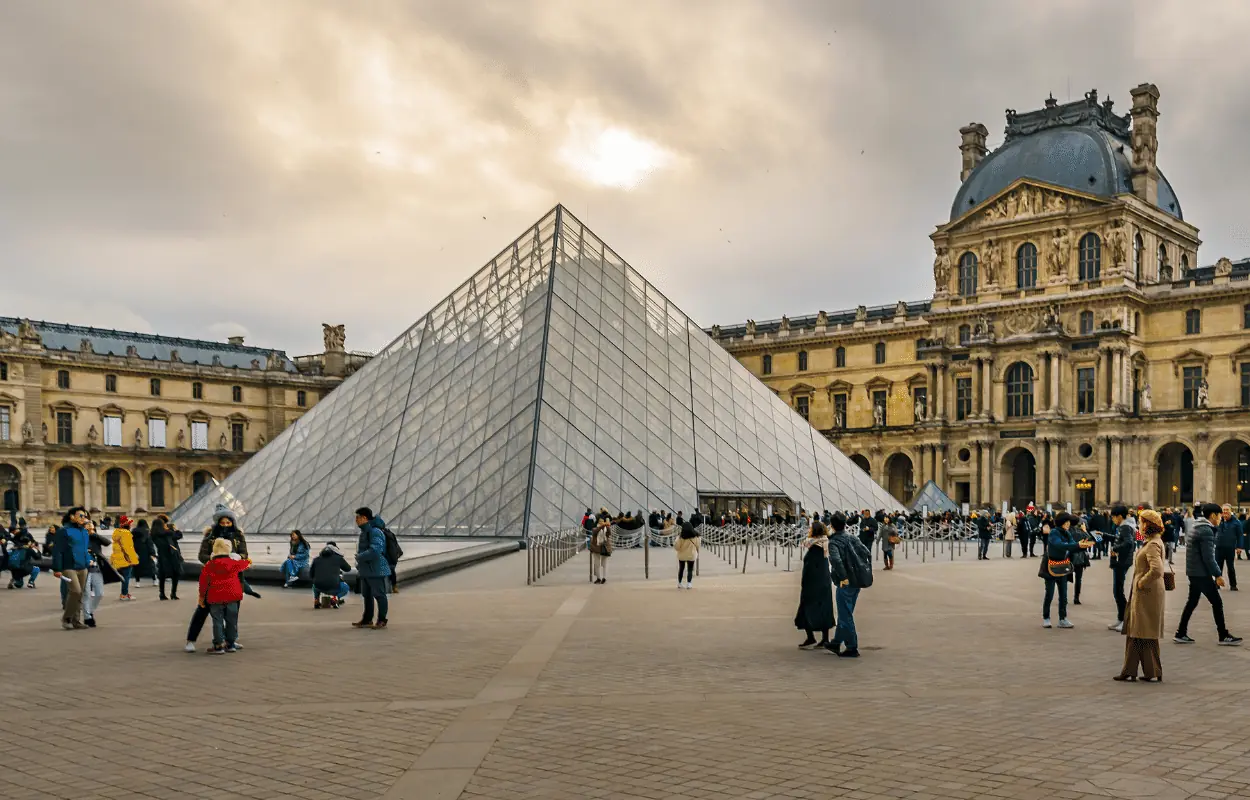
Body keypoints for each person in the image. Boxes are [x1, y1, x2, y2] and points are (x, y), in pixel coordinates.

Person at [185, 505, 256, 653]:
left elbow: (244, 554)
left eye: (227, 522)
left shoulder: (238, 535)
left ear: (232, 522)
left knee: (232, 613)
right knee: (202, 610)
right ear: (218, 522)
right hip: (214, 578)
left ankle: (230, 641)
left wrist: (237, 558)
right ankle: (191, 640)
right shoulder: (210, 536)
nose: (225, 525)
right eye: (222, 522)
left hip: (233, 579)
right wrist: (213, 561)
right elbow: (201, 555)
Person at [1174, 503, 1243, 646]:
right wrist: (1218, 575)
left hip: (1194, 571)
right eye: (1219, 515)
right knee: (1217, 602)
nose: (1220, 518)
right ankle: (1223, 635)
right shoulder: (1206, 531)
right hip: (1200, 573)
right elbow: (1208, 557)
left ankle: (1180, 632)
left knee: (1192, 602)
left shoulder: (1197, 526)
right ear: (1213, 515)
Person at [1116, 509, 1167, 682]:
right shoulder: (1152, 541)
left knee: (1142, 631)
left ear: (1148, 524)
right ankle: (1144, 671)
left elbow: (1157, 569)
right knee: (1138, 631)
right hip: (1146, 593)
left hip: (1147, 593)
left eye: (1141, 521)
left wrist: (1141, 582)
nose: (1139, 524)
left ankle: (1140, 671)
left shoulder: (1153, 544)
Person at [826, 512, 873, 658]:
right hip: (856, 580)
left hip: (845, 582)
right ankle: (836, 642)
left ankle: (852, 647)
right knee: (846, 612)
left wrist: (844, 576)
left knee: (845, 614)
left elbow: (836, 561)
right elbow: (866, 552)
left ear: (832, 526)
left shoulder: (834, 542)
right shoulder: (852, 537)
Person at [1039, 512, 1093, 629]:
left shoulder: (1067, 532)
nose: (1068, 524)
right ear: (1061, 522)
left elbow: (1072, 545)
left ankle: (1062, 618)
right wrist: (1077, 546)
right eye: (1066, 522)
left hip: (1063, 565)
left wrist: (1081, 546)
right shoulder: (1054, 533)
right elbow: (1061, 545)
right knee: (1049, 593)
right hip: (1051, 566)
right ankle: (1046, 617)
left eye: (1069, 522)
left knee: (1063, 595)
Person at [197, 538, 252, 654]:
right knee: (232, 620)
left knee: (217, 621)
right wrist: (245, 560)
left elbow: (203, 583)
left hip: (215, 597)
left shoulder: (209, 565)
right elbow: (247, 563)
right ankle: (230, 644)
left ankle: (218, 645)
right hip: (233, 596)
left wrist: (201, 598)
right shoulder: (233, 563)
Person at [794, 520, 834, 650]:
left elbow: (810, 568)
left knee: (806, 609)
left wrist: (804, 582)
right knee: (824, 609)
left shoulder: (815, 547)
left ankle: (810, 636)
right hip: (824, 582)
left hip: (812, 584)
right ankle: (825, 638)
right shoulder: (824, 544)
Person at [51, 506, 91, 630]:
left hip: (83, 566)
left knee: (80, 594)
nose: (84, 518)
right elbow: (57, 550)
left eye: (85, 516)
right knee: (75, 591)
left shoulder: (84, 531)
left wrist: (89, 559)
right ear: (72, 517)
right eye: (81, 516)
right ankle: (66, 618)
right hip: (69, 566)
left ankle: (76, 620)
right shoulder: (64, 531)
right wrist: (57, 569)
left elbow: (85, 549)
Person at [352, 507, 391, 629]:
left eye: (357, 517)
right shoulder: (365, 531)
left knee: (379, 595)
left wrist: (360, 557)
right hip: (366, 570)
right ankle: (367, 619)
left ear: (364, 518)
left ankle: (381, 619)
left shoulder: (375, 532)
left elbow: (376, 550)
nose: (356, 520)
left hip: (375, 570)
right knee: (367, 595)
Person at [1107, 505, 1136, 633]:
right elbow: (1121, 540)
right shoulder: (1124, 527)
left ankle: (1125, 620)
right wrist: (1103, 535)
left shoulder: (1124, 527)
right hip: (1122, 561)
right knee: (1117, 591)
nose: (1112, 519)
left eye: (1113, 517)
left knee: (1118, 591)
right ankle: (1121, 618)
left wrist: (1115, 549)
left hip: (1121, 562)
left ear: (1119, 516)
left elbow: (1129, 543)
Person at [310, 541, 352, 609]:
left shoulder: (316, 559)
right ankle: (335, 598)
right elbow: (348, 569)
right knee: (346, 587)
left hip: (319, 586)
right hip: (333, 586)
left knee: (314, 584)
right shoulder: (338, 558)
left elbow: (311, 575)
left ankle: (316, 600)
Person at [151, 515, 184, 600]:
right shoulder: (168, 533)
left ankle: (162, 594)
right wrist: (175, 529)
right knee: (175, 574)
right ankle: (173, 593)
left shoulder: (154, 534)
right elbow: (178, 536)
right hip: (172, 556)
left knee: (162, 575)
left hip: (162, 557)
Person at [109, 516, 139, 600]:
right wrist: (133, 558)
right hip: (125, 559)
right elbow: (128, 548)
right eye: (130, 524)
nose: (131, 525)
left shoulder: (117, 532)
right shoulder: (126, 533)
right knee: (126, 577)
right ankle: (124, 594)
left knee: (124, 577)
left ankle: (124, 593)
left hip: (118, 557)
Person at [1216, 505, 1241, 591]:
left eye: (1227, 510)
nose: (1225, 511)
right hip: (1219, 548)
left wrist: (1239, 547)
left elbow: (1240, 535)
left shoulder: (1236, 522)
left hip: (1230, 548)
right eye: (1224, 510)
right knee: (1218, 567)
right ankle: (1217, 584)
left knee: (1230, 567)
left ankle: (1233, 585)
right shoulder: (1218, 521)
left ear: (1230, 511)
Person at [674, 517, 700, 589]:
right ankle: (689, 583)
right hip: (691, 555)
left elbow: (676, 547)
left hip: (682, 555)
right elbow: (698, 545)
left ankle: (679, 583)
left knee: (681, 568)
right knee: (690, 569)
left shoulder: (681, 537)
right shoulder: (695, 536)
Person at [131, 518, 156, 589]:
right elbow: (149, 543)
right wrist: (152, 553)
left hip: (136, 551)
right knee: (150, 566)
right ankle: (154, 580)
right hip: (146, 551)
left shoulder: (133, 531)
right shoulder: (146, 531)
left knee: (137, 567)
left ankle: (137, 582)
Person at [589, 518, 612, 585]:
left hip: (605, 547)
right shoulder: (595, 528)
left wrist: (607, 526)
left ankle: (604, 578)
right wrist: (602, 526)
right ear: (598, 522)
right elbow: (595, 532)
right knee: (597, 564)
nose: (602, 523)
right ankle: (598, 578)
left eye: (603, 521)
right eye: (600, 522)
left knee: (604, 564)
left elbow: (609, 534)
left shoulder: (606, 528)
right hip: (596, 547)